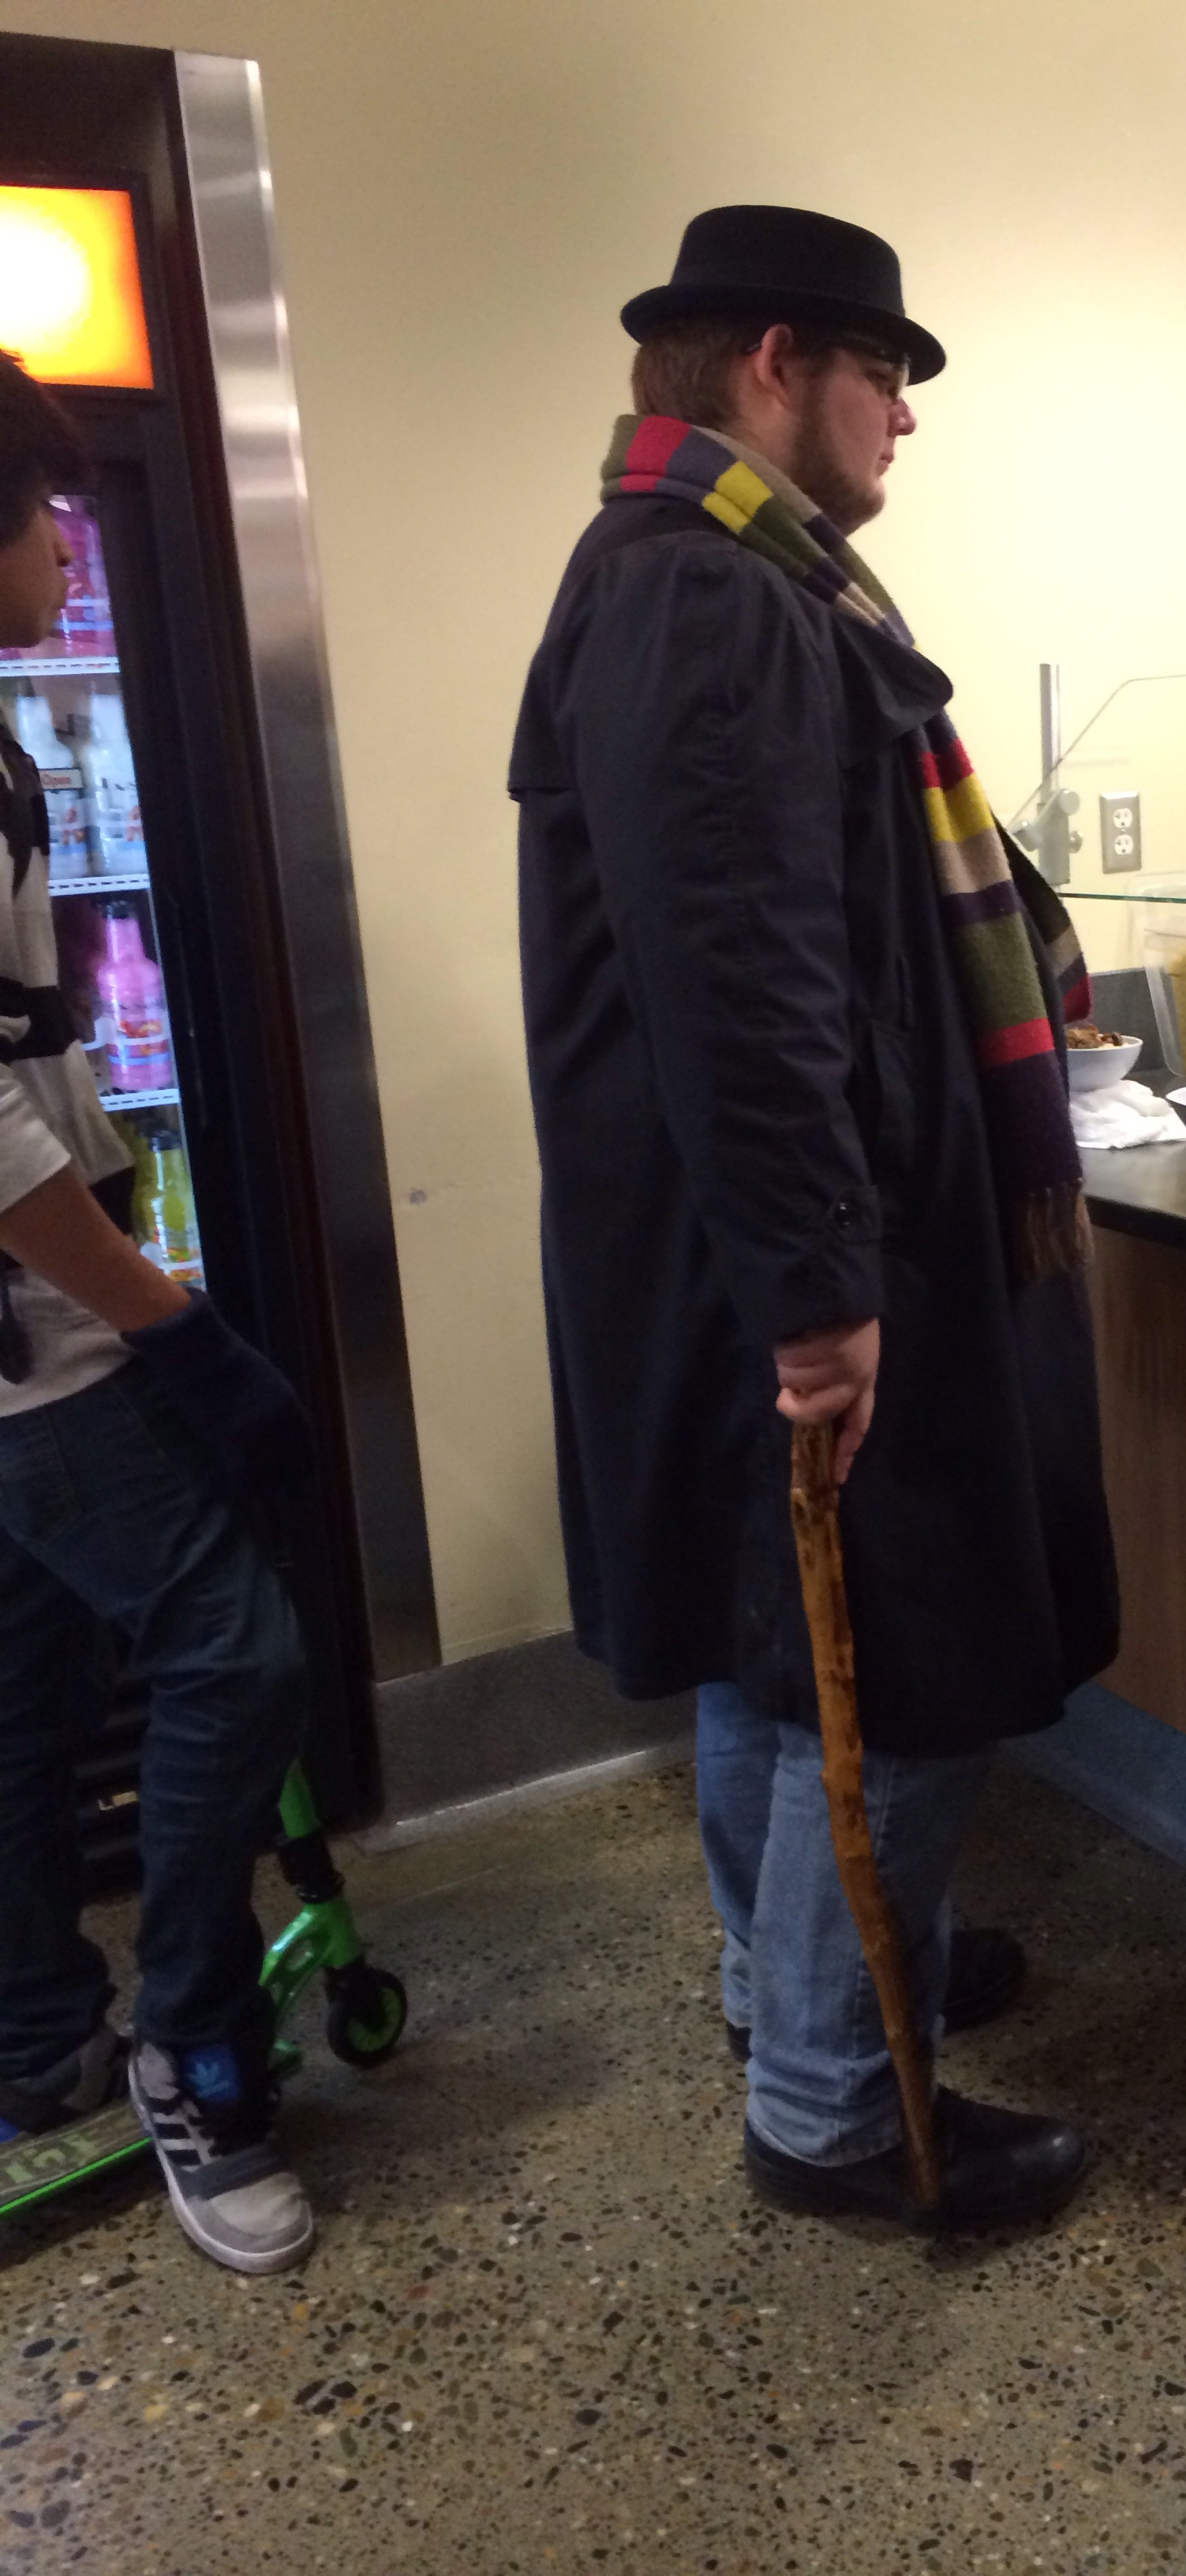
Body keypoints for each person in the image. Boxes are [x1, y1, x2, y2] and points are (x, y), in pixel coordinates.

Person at [512, 204, 1117, 2230]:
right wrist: (820, 1292)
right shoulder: (713, 598)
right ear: (778, 361)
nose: (904, 421)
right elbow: (745, 980)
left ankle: (807, 1983)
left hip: (750, 1247)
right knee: (905, 1649)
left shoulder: (701, 572)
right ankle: (834, 2104)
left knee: (776, 1645)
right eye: (887, 375)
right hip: (805, 1254)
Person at [0, 352, 315, 2274]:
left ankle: (38, 2036)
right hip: (36, 1356)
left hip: (41, 1325)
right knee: (236, 1649)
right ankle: (192, 2048)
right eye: (43, 515)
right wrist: (172, 1330)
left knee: (23, 1684)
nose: (63, 549)